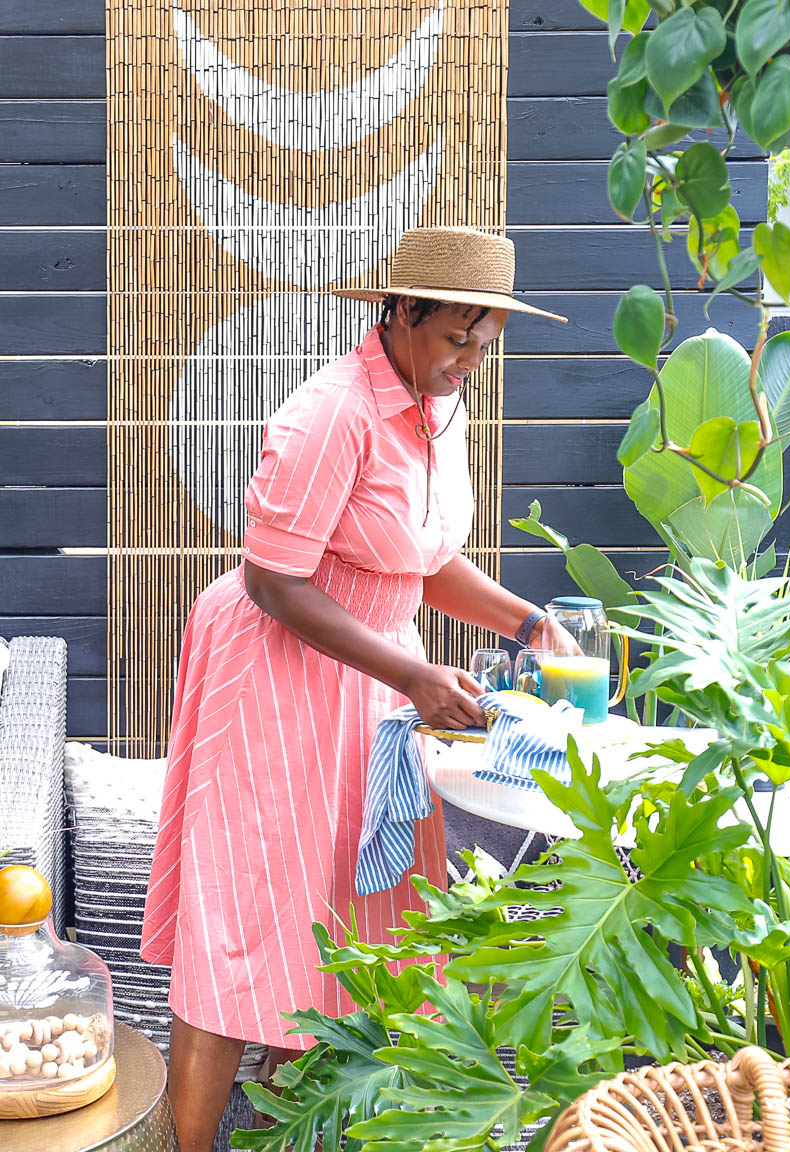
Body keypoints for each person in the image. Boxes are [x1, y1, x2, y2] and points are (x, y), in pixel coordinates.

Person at [139, 226, 571, 1152]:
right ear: (401, 311)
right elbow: (271, 579)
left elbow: (421, 558)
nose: (468, 362)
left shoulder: (434, 409)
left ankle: (294, 1134)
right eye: (456, 338)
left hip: (372, 682)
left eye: (484, 343)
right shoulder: (330, 412)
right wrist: (412, 675)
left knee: (348, 918)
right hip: (273, 672)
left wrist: (526, 623)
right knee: (248, 914)